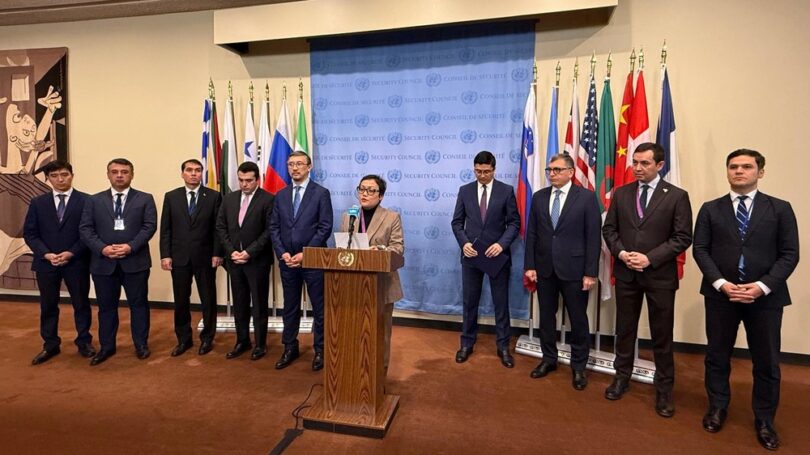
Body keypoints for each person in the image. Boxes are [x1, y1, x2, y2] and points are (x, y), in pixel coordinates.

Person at [693, 149, 799, 451]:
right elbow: (700, 249)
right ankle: (717, 407)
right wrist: (722, 284)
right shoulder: (710, 209)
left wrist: (762, 286)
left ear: (760, 172)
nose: (739, 171)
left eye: (747, 167)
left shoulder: (780, 209)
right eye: (733, 166)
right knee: (717, 356)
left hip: (764, 299)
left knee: (766, 361)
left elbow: (790, 254)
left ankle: (764, 419)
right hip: (720, 296)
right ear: (727, 171)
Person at [602, 142, 692, 417]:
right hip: (626, 273)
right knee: (625, 329)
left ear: (660, 165)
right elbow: (609, 229)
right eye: (635, 162)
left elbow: (682, 237)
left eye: (645, 163)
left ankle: (664, 390)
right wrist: (621, 253)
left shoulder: (676, 196)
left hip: (659, 276)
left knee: (661, 334)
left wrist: (650, 258)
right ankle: (621, 377)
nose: (638, 168)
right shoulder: (622, 193)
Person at [524, 153, 601, 389]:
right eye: (550, 170)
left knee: (578, 319)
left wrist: (590, 272)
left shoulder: (586, 198)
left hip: (575, 270)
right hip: (545, 269)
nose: (552, 174)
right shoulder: (539, 197)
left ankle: (579, 367)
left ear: (571, 172)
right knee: (546, 317)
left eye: (557, 170)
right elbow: (532, 234)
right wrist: (530, 265)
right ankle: (549, 359)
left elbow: (593, 237)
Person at [79, 158, 157, 365]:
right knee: (106, 307)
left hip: (135, 261)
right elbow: (85, 229)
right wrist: (102, 248)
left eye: (124, 172)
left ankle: (141, 344)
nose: (120, 175)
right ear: (108, 175)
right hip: (103, 263)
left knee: (139, 305)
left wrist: (130, 246)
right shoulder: (94, 200)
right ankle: (107, 346)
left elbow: (149, 226)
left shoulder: (145, 198)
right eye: (115, 172)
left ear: (132, 175)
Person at [451, 150, 520, 368]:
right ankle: (466, 343)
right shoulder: (465, 191)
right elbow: (457, 222)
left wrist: (501, 244)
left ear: (494, 170)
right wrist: (464, 244)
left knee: (501, 303)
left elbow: (514, 223)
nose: (482, 175)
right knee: (469, 302)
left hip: (496, 255)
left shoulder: (506, 191)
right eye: (478, 171)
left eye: (486, 171)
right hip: (471, 255)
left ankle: (503, 347)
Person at [23, 160, 95, 364]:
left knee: (81, 303)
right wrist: (46, 254)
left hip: (76, 261)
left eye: (64, 174)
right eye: (54, 176)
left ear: (72, 175)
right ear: (48, 178)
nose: (60, 179)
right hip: (47, 263)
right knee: (48, 305)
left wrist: (71, 252)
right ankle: (50, 344)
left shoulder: (87, 201)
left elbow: (89, 232)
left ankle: (84, 342)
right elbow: (30, 233)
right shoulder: (38, 203)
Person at [268, 151, 333, 371]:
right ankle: (289, 347)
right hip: (288, 261)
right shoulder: (281, 195)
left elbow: (325, 227)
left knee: (319, 307)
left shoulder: (321, 193)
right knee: (290, 306)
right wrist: (282, 253)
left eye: (299, 164)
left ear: (309, 166)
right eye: (290, 164)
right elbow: (274, 227)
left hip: (313, 260)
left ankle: (321, 350)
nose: (294, 168)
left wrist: (307, 253)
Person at [340, 174, 404, 377]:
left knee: (380, 333)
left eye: (371, 190)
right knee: (354, 331)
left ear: (381, 195)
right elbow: (343, 248)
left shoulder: (391, 217)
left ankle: (379, 377)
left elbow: (398, 248)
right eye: (361, 189)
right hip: (353, 284)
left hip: (381, 284)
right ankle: (354, 373)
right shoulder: (349, 216)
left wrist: (380, 249)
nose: (364, 194)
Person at [160, 159, 223, 357]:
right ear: (182, 174)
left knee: (208, 300)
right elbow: (166, 229)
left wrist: (217, 253)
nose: (194, 173)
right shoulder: (171, 196)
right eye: (189, 170)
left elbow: (218, 229)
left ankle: (207, 339)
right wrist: (165, 255)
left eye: (197, 170)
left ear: (202, 174)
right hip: (179, 258)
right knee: (181, 301)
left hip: (205, 257)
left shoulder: (213, 196)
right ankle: (183, 339)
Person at [216, 161, 275, 361]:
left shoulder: (268, 199)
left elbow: (269, 231)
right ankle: (242, 341)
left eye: (248, 180)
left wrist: (249, 252)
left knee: (258, 304)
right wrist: (231, 251)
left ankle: (260, 344)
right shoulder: (229, 199)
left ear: (257, 179)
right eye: (241, 180)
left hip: (257, 261)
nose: (244, 184)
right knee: (239, 303)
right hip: (234, 260)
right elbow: (221, 227)